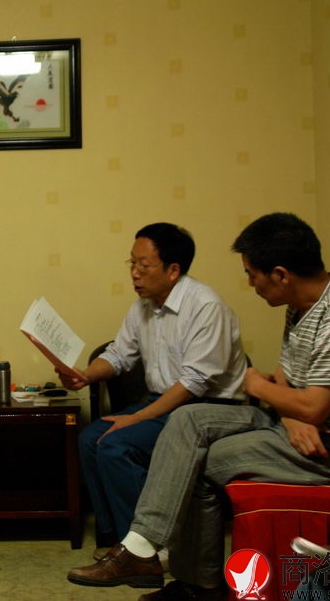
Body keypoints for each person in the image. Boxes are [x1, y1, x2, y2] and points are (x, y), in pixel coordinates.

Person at [66, 212, 330, 600]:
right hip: (299, 423)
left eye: (251, 275)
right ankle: (144, 550)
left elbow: (310, 406)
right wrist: (290, 413)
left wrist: (257, 384)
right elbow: (288, 382)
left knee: (195, 459)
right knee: (187, 421)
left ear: (280, 274)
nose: (250, 284)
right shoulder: (303, 304)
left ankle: (191, 582)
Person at [58, 222, 247, 559]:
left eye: (144, 266)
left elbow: (194, 383)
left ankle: (150, 549)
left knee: (116, 445)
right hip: (164, 402)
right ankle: (116, 539)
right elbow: (119, 354)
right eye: (132, 263)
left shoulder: (206, 306)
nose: (134, 273)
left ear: (173, 270)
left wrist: (138, 418)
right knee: (88, 440)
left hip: (205, 407)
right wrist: (84, 376)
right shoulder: (142, 305)